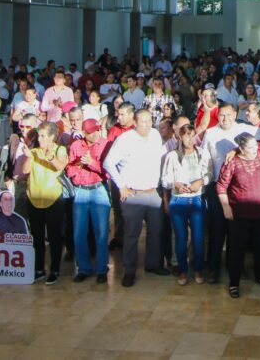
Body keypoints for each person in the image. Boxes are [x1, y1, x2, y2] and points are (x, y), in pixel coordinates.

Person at [104, 109, 169, 286]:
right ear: (134, 121)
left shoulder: (156, 135)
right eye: (143, 121)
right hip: (133, 193)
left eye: (150, 121)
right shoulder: (125, 139)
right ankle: (129, 270)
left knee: (156, 230)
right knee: (131, 233)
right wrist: (121, 185)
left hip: (153, 192)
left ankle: (153, 264)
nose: (147, 125)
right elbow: (108, 163)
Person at [217, 132, 260, 298]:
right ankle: (234, 282)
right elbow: (221, 186)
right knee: (236, 248)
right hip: (239, 213)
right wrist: (226, 207)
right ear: (241, 149)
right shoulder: (232, 162)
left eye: (255, 145)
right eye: (250, 147)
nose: (255, 149)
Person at [202, 103, 250, 283]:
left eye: (229, 115)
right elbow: (205, 159)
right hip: (217, 187)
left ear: (235, 114)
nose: (225, 119)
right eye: (221, 115)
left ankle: (235, 266)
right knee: (217, 229)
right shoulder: (210, 133)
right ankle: (214, 268)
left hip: (238, 188)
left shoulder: (243, 130)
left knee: (237, 231)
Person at [161, 123, 211, 286]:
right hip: (179, 199)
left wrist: (201, 181)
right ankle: (183, 270)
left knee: (198, 237)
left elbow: (210, 173)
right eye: (186, 135)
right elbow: (165, 179)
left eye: (192, 134)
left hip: (197, 198)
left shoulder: (203, 154)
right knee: (181, 238)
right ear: (180, 137)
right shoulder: (172, 156)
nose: (189, 138)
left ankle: (198, 269)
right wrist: (176, 184)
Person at [20, 122, 68, 284]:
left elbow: (60, 166)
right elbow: (25, 171)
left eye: (43, 136)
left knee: (54, 237)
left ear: (52, 137)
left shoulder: (59, 150)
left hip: (53, 199)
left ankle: (55, 269)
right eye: (38, 135)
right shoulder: (34, 152)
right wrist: (28, 157)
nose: (39, 138)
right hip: (34, 199)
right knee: (37, 237)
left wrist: (49, 156)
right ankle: (39, 269)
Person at [67, 118, 114, 283]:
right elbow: (69, 168)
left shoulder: (105, 144)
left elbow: (109, 171)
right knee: (79, 233)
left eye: (97, 130)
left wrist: (92, 163)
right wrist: (77, 167)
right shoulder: (75, 146)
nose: (95, 133)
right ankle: (83, 268)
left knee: (101, 232)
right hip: (81, 190)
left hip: (98, 188)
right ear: (85, 132)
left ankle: (102, 268)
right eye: (91, 131)